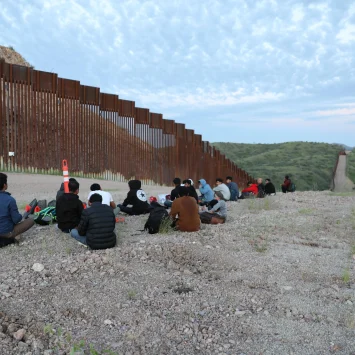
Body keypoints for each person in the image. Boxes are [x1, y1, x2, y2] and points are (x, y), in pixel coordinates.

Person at [0, 173, 35, 247]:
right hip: (6, 232)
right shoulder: (10, 200)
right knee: (31, 220)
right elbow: (16, 220)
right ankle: (11, 237)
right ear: (4, 185)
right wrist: (20, 216)